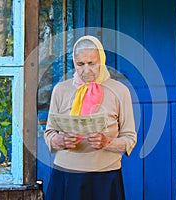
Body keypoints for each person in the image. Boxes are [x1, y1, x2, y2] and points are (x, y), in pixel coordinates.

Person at [44, 35, 137, 200]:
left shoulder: (120, 91)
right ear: (74, 63)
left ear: (101, 60)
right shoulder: (61, 89)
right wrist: (60, 140)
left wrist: (107, 142)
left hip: (105, 175)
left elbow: (130, 139)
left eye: (92, 63)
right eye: (80, 64)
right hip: (66, 173)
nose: (86, 70)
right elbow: (50, 133)